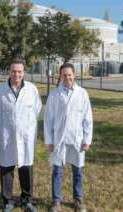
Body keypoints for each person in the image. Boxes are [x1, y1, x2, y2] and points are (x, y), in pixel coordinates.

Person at [0, 59, 42, 212]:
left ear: (24, 73)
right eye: (14, 71)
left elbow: (37, 110)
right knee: (7, 167)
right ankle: (8, 200)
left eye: (19, 71)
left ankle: (27, 200)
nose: (16, 74)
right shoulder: (1, 91)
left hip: (26, 136)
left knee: (26, 167)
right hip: (7, 136)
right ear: (9, 72)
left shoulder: (32, 90)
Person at [44, 63, 93, 212]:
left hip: (76, 138)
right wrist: (49, 141)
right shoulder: (54, 95)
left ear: (74, 75)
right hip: (59, 139)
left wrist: (86, 139)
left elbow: (87, 118)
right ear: (60, 77)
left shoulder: (82, 94)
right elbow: (48, 120)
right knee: (57, 170)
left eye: (69, 75)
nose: (67, 78)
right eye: (64, 75)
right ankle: (56, 201)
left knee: (77, 170)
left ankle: (78, 200)